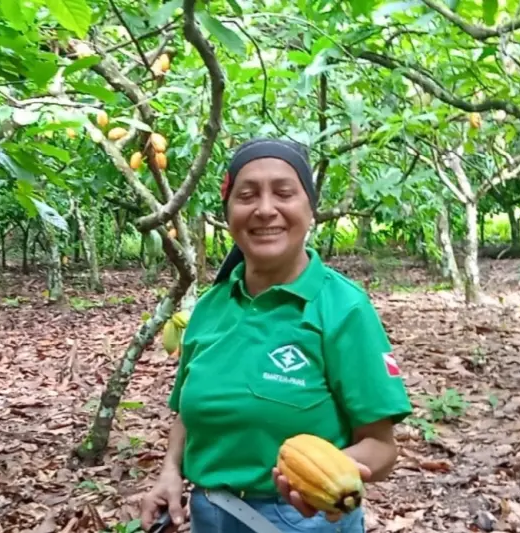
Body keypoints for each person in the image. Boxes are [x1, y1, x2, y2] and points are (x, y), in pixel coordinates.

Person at [140, 138, 413, 533]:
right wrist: (169, 471)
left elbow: (382, 446)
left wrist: (336, 478)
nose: (265, 209)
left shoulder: (342, 307)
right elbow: (187, 410)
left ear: (309, 208)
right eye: (247, 195)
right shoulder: (209, 307)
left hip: (302, 519)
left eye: (284, 193)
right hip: (210, 513)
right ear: (229, 212)